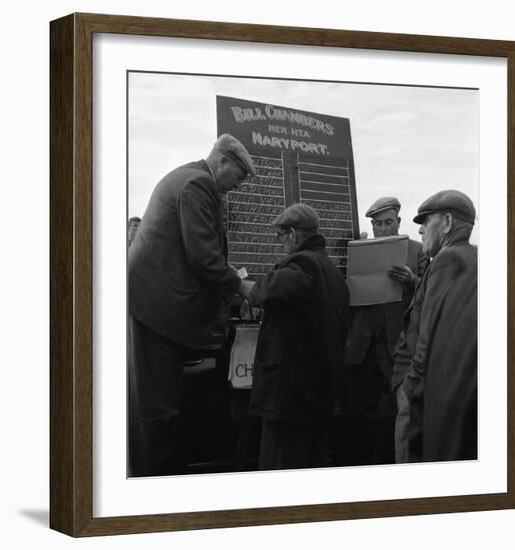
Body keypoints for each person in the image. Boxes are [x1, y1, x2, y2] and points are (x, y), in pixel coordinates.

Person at [127, 134, 256, 476]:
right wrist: (241, 287)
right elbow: (203, 256)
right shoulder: (199, 184)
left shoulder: (189, 179)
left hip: (155, 309)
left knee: (156, 404)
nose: (239, 185)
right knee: (156, 411)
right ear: (221, 162)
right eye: (239, 176)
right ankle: (150, 486)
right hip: (159, 313)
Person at [240, 203, 350, 471]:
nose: (281, 244)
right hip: (319, 396)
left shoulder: (304, 263)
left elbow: (268, 292)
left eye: (281, 237)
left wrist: (237, 284)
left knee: (280, 468)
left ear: (292, 233)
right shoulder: (334, 272)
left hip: (290, 399)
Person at [394, 189, 477, 463]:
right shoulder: (472, 258)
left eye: (425, 222)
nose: (420, 232)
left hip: (422, 390)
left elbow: (427, 338)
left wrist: (410, 388)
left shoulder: (446, 259)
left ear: (448, 223)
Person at [343, 197, 428, 465]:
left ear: (398, 223)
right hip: (362, 344)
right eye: (378, 224)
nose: (383, 228)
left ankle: (388, 459)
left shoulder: (417, 251)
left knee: (391, 410)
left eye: (388, 222)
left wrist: (412, 281)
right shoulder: (361, 249)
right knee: (360, 409)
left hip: (396, 345)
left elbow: (431, 293)